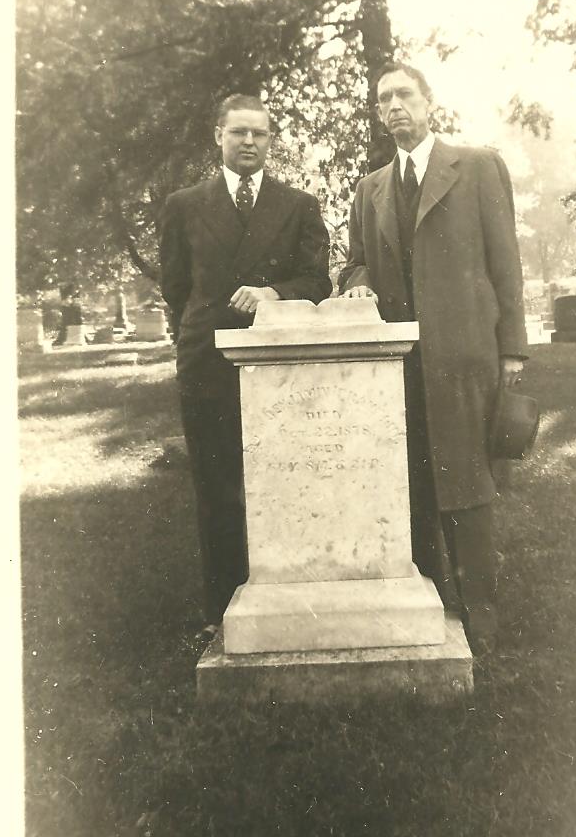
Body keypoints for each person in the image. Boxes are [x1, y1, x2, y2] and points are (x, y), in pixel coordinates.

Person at [339, 61, 527, 653]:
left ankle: (480, 606)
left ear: (428, 103)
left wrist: (512, 349)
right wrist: (359, 285)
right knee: (411, 482)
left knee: (468, 479)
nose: (394, 106)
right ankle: (428, 598)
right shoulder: (370, 188)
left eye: (404, 95)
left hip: (464, 354)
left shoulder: (476, 166)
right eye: (383, 99)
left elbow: (506, 261)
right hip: (397, 361)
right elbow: (355, 261)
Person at [160, 93, 332, 634]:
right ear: (219, 136)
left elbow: (318, 280)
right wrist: (205, 325)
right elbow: (176, 287)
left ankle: (287, 597)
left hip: (278, 364)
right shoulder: (184, 205)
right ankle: (224, 610)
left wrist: (271, 293)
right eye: (239, 132)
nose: (249, 142)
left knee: (283, 479)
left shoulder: (298, 205)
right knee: (217, 487)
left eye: (259, 133)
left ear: (270, 139)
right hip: (207, 362)